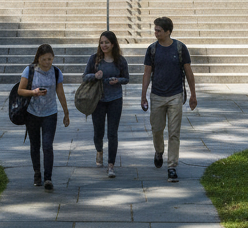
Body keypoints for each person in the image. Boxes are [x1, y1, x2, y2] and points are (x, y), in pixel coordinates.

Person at [140, 17, 196, 183]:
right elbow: (147, 73)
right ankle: (159, 151)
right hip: (157, 96)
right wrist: (143, 95)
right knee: (157, 129)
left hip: (175, 96)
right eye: (155, 29)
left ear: (167, 32)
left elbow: (188, 72)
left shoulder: (180, 48)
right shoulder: (152, 49)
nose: (155, 32)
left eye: (158, 30)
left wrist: (193, 94)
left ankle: (172, 166)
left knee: (174, 133)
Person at [17, 43, 70, 190]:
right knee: (35, 145)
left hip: (50, 113)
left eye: (50, 59)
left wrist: (66, 112)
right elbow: (20, 90)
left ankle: (48, 178)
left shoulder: (57, 72)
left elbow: (60, 93)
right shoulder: (29, 70)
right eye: (44, 59)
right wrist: (33, 92)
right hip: (32, 113)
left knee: (47, 145)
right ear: (38, 58)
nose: (47, 62)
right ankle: (37, 173)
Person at [82, 30, 130, 179]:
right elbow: (85, 77)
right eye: (101, 42)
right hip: (98, 100)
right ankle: (99, 150)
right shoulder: (94, 59)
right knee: (98, 132)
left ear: (113, 44)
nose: (104, 45)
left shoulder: (120, 60)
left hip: (115, 98)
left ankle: (111, 165)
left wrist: (118, 80)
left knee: (112, 133)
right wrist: (95, 76)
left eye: (107, 43)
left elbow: (126, 78)